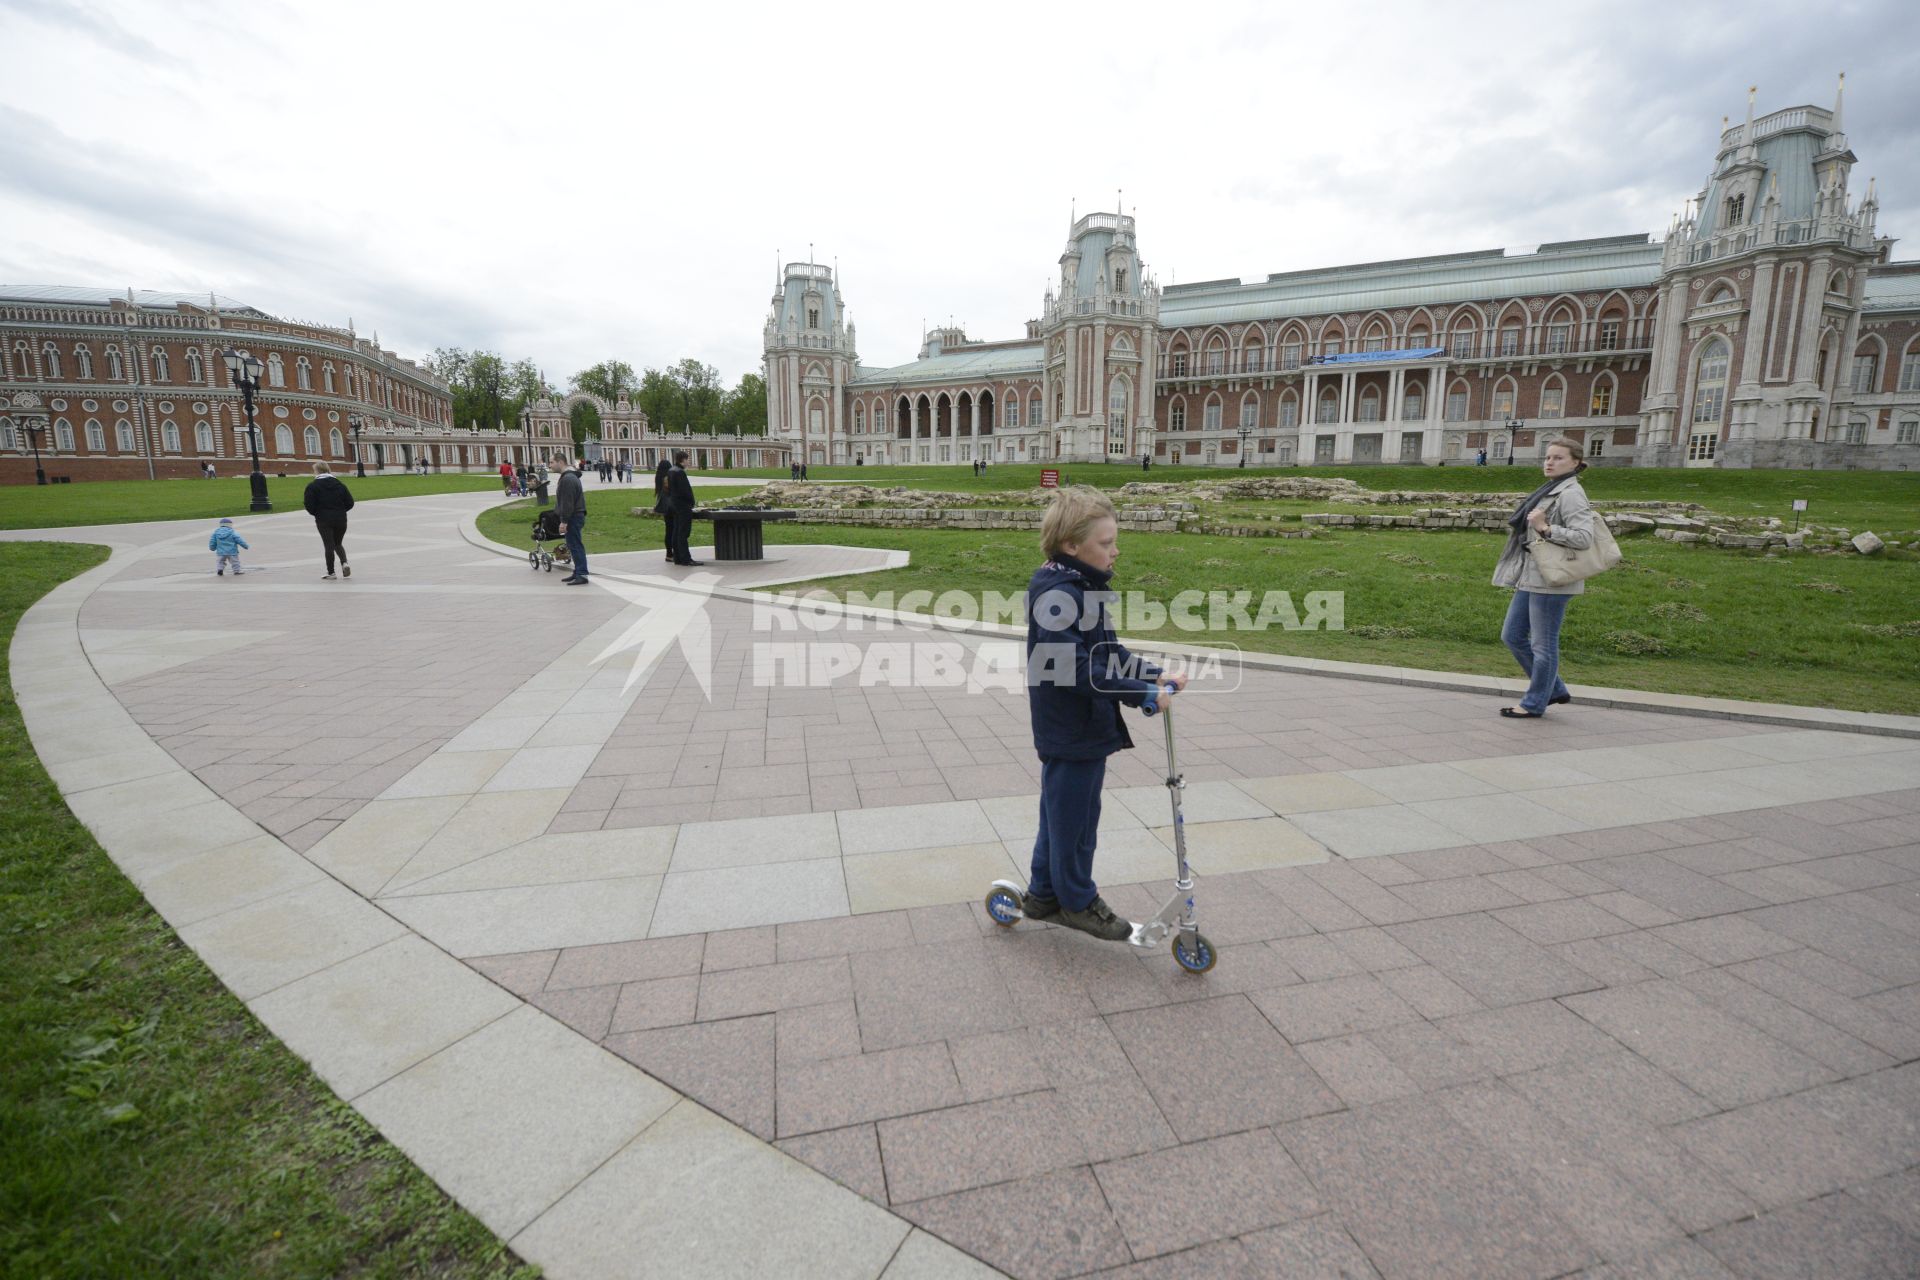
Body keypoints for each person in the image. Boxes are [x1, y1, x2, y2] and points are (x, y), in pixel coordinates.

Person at [1022, 488, 1185, 940]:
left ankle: (1042, 895)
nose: (1116, 551)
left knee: (1061, 816)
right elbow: (1072, 669)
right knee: (1076, 825)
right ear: (1071, 546)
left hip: (1081, 726)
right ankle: (1077, 903)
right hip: (1071, 728)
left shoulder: (1083, 586)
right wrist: (1142, 694)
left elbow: (1107, 653)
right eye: (1106, 542)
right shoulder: (1058, 596)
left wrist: (1152, 675)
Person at [1492, 437, 1595, 719]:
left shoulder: (1571, 493)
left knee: (1543, 644)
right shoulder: (1551, 489)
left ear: (1576, 463)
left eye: (1558, 458)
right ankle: (1555, 688)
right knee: (1512, 635)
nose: (1550, 462)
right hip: (1532, 575)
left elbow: (1584, 538)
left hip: (1553, 580)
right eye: (1548, 457)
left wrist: (1545, 528)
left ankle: (1535, 702)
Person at [302, 462, 355, 580]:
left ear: (317, 471)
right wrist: (341, 510)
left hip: (324, 519)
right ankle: (344, 563)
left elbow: (309, 505)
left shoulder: (312, 486)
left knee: (328, 545)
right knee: (338, 543)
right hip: (341, 518)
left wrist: (317, 513)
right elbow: (350, 502)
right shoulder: (340, 484)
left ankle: (331, 572)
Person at [555, 456, 590, 585]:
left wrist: (564, 521)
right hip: (575, 515)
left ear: (561, 462)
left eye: (552, 462)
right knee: (573, 545)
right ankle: (578, 572)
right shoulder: (569, 477)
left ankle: (582, 573)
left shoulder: (568, 479)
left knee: (575, 545)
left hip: (573, 516)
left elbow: (567, 502)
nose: (550, 465)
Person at [665, 450, 700, 566]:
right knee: (683, 532)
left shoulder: (671, 470)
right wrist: (691, 502)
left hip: (674, 504)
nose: (688, 461)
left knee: (676, 531)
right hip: (682, 505)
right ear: (683, 460)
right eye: (687, 459)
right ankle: (686, 558)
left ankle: (678, 557)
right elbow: (685, 490)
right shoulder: (680, 472)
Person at [653, 457, 674, 563]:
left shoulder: (658, 477)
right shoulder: (668, 478)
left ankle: (669, 553)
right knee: (673, 530)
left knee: (668, 530)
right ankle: (671, 553)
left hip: (664, 507)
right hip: (671, 506)